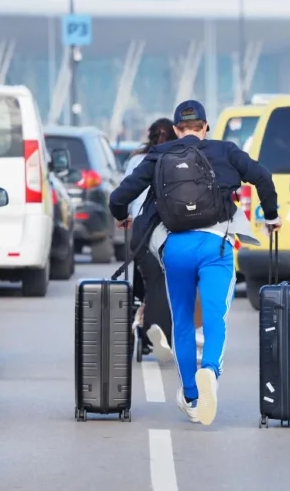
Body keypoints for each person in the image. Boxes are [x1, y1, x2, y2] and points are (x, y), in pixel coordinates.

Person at [109, 99, 280, 426]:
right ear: (205, 127)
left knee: (183, 319)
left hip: (176, 247)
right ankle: (210, 371)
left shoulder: (160, 155)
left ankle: (190, 395)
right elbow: (263, 177)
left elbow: (120, 196)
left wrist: (121, 218)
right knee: (216, 315)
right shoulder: (226, 150)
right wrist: (271, 216)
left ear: (176, 130)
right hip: (215, 246)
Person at [126, 117, 176, 362]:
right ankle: (167, 333)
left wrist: (122, 215)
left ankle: (147, 330)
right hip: (174, 229)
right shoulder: (180, 158)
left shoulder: (137, 160)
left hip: (141, 229)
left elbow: (125, 194)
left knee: (150, 280)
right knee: (170, 281)